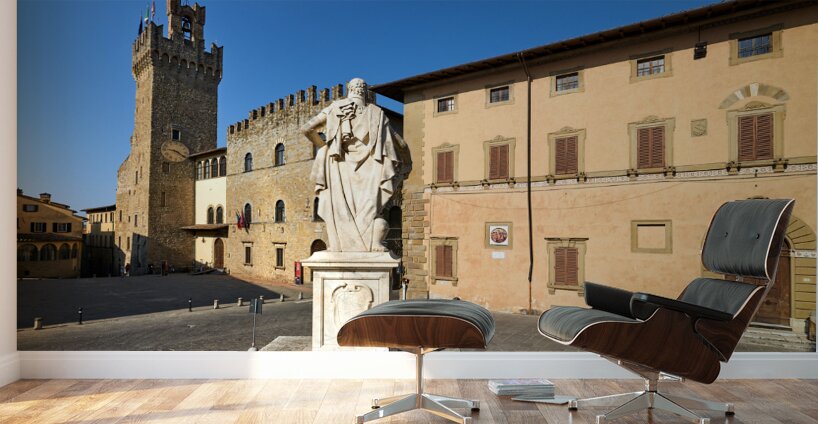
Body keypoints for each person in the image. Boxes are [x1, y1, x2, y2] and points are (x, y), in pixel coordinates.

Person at [300, 78, 410, 252]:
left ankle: (339, 245)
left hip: (339, 166)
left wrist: (325, 147)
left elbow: (307, 129)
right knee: (371, 211)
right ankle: (371, 243)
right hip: (372, 169)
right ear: (365, 92)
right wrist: (407, 164)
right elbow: (401, 144)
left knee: (338, 209)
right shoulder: (377, 114)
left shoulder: (334, 109)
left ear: (349, 90)